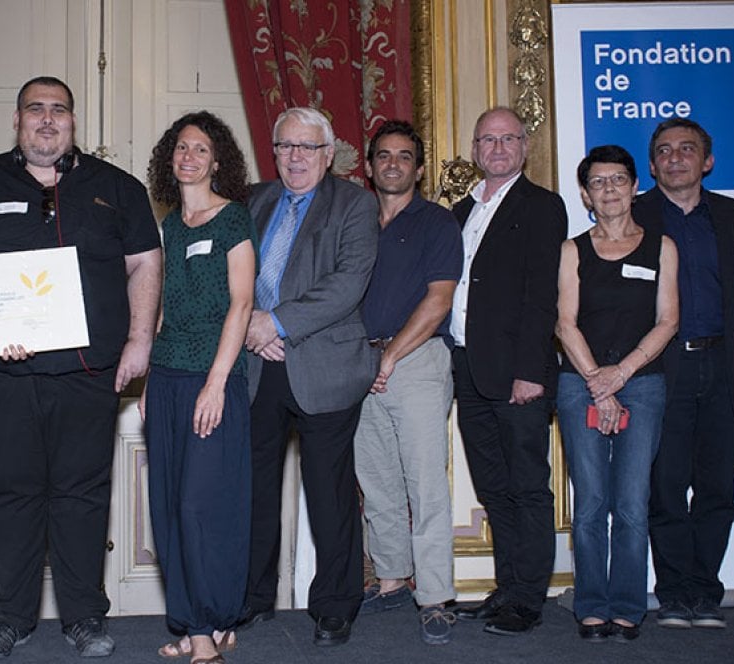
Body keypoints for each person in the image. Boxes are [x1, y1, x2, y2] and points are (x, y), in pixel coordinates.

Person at [0, 75, 161, 659]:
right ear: (16, 120)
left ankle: (84, 617)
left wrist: (140, 340)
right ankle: (9, 617)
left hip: (89, 369)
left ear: (73, 121)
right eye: (35, 110)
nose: (47, 119)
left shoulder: (117, 187)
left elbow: (144, 263)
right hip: (4, 372)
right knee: (11, 493)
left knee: (83, 495)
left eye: (59, 110)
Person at [235, 106, 378, 648]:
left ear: (329, 153)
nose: (295, 157)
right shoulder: (254, 200)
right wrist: (253, 326)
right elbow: (233, 272)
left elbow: (348, 283)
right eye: (285, 147)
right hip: (255, 365)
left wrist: (277, 322)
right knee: (253, 490)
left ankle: (336, 605)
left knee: (329, 493)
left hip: (325, 368)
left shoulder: (356, 205)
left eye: (307, 147)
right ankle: (253, 597)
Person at [142, 111, 256, 664]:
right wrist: (146, 383)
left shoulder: (233, 219)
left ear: (218, 161)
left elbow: (242, 302)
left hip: (214, 379)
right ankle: (192, 623)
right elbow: (163, 306)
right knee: (166, 507)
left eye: (201, 149)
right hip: (165, 378)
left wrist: (216, 383)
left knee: (199, 507)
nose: (189, 156)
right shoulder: (168, 227)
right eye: (181, 148)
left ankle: (209, 628)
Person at [449, 107, 566, 636]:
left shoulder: (542, 207)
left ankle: (528, 599)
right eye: (487, 140)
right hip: (467, 368)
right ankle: (507, 586)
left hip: (518, 374)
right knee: (493, 488)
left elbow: (543, 296)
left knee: (527, 488)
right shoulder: (459, 211)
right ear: (475, 150)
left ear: (524, 146)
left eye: (508, 138)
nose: (497, 148)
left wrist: (529, 372)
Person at [556, 145, 679, 642]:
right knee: (590, 503)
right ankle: (590, 604)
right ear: (586, 194)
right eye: (598, 182)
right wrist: (597, 385)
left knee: (631, 502)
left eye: (618, 179)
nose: (609, 189)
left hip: (643, 385)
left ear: (634, 186)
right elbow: (564, 324)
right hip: (579, 384)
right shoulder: (572, 250)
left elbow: (668, 321)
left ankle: (627, 605)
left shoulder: (661, 247)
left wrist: (620, 376)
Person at [353, 120, 462, 645]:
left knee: (425, 484)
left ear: (418, 168)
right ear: (370, 167)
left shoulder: (437, 224)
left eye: (404, 156)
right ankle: (393, 578)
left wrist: (391, 357)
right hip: (358, 363)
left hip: (415, 360)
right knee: (376, 480)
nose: (393, 163)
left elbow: (439, 299)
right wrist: (363, 361)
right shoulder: (353, 220)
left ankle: (437, 595)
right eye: (383, 156)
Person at [636, 118, 734, 631]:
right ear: (652, 163)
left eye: (687, 149)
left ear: (708, 161)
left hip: (727, 367)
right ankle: (674, 591)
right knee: (665, 485)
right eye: (664, 150)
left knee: (717, 487)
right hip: (663, 368)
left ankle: (706, 591)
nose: (675, 158)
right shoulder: (633, 217)